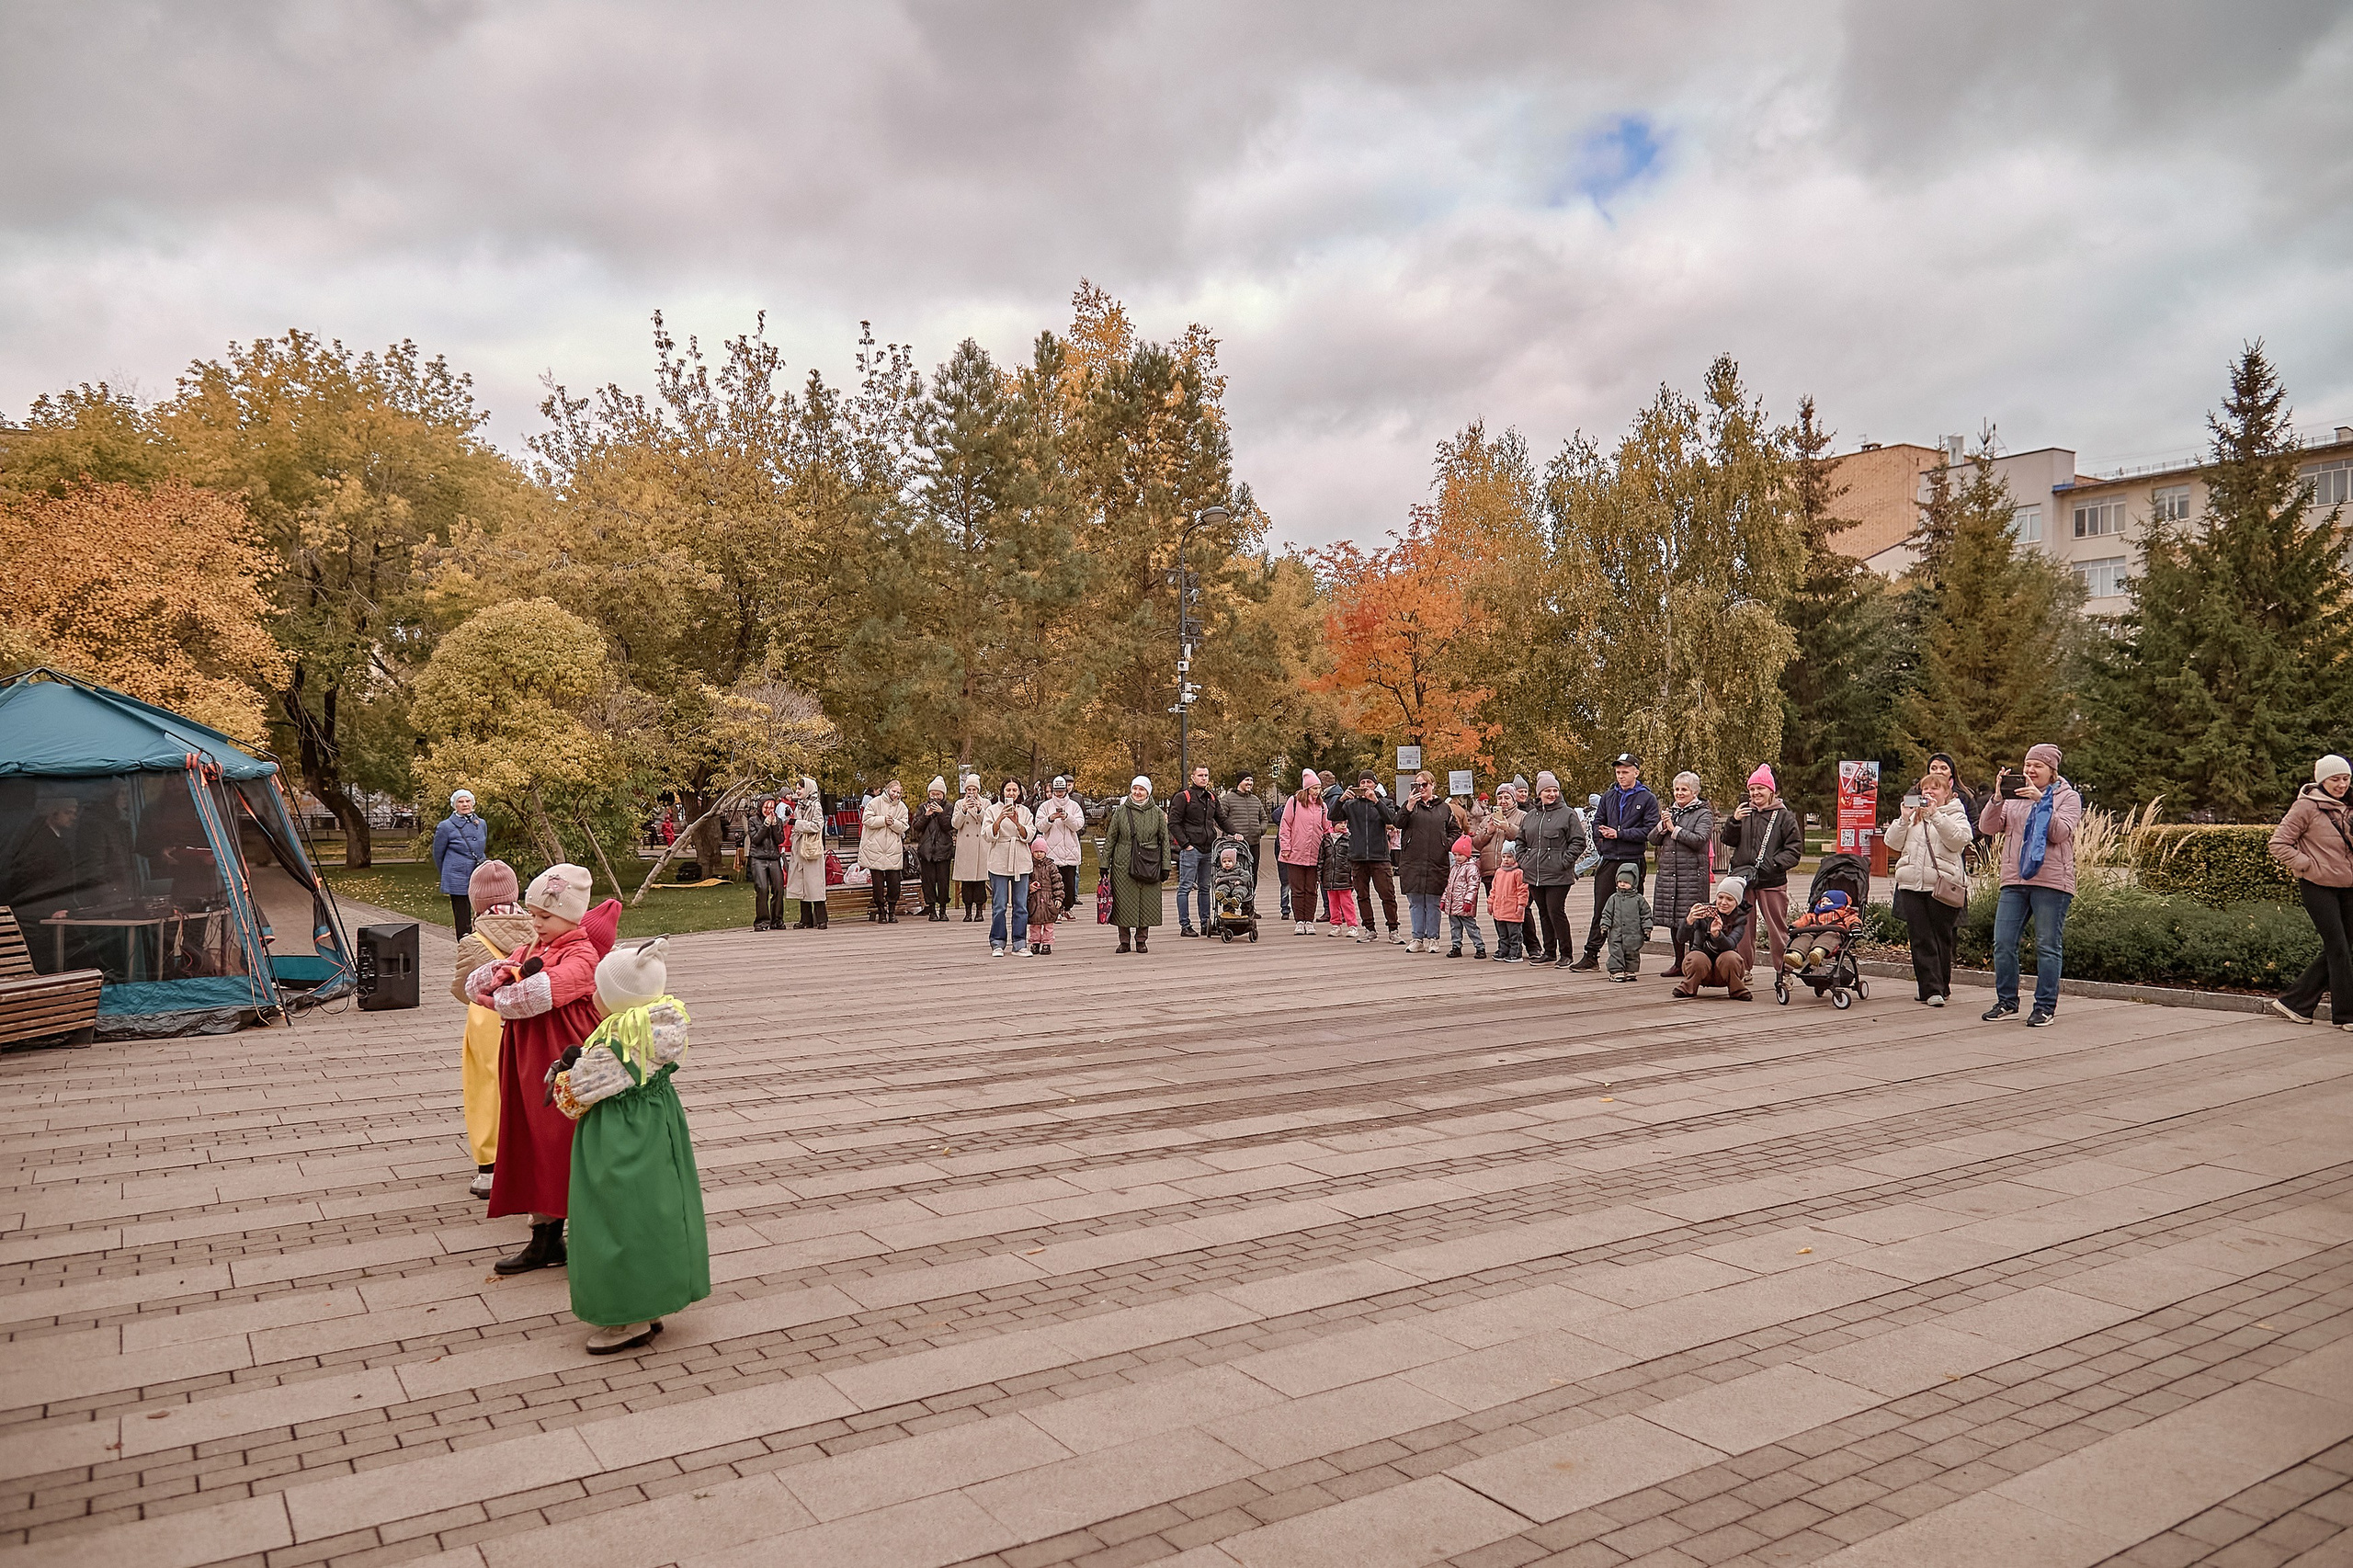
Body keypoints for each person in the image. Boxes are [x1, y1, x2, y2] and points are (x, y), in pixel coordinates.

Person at [465, 864, 620, 1275]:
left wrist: (499, 991)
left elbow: (536, 995)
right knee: (532, 1140)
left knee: (560, 1142)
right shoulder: (534, 948)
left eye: (545, 916)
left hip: (560, 1059)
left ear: (571, 915)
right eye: (533, 913)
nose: (535, 923)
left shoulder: (583, 955)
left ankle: (592, 1234)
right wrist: (498, 975)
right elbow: (473, 983)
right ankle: (545, 1238)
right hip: (527, 1057)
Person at [558, 938, 710, 1355]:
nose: (592, 994)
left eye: (599, 989)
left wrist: (563, 1076)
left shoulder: (618, 1044)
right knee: (653, 1209)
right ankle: (653, 1297)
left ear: (619, 999)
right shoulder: (659, 1026)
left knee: (616, 1214)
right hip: (658, 1125)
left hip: (617, 1133)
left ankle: (628, 1314)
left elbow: (575, 1096)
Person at [1978, 744, 2082, 1028]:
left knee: (2047, 945)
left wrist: (2041, 801)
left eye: (2038, 766)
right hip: (2015, 879)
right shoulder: (2014, 796)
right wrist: (1997, 798)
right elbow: (1987, 828)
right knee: (2003, 942)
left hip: (2052, 882)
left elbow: (2059, 833)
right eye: (2028, 765)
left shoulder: (2068, 797)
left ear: (2052, 771)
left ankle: (2045, 1007)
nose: (2031, 770)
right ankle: (2007, 1001)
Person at [449, 859, 529, 1199]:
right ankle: (530, 1158)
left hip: (488, 1023)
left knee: (485, 1088)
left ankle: (490, 1168)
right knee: (527, 1085)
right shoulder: (538, 930)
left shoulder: (473, 942)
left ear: (476, 902)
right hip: (528, 1018)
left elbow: (460, 989)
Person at [2271, 754, 2353, 1029]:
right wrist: (2307, 865)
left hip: (2349, 887)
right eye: (2335, 779)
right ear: (2321, 781)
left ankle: (2294, 1003)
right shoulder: (2305, 807)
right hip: (2317, 886)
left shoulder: (2350, 805)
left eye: (2346, 778)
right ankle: (2346, 1016)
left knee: (2342, 948)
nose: (2341, 785)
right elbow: (2279, 843)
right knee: (2338, 948)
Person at [1884, 770, 1972, 1006]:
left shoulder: (1955, 812)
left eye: (1935, 788)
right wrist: (1903, 819)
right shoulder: (1913, 815)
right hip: (1911, 884)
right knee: (1920, 937)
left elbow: (1958, 840)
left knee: (1941, 936)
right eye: (1925, 789)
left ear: (1947, 793)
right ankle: (1930, 988)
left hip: (1941, 884)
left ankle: (1941, 985)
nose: (1929, 792)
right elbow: (1892, 843)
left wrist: (1936, 815)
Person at [1576, 755, 1659, 971]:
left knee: (1630, 910)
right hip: (1610, 859)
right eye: (1618, 772)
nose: (1621, 776)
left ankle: (1628, 958)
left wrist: (1620, 834)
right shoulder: (1609, 796)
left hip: (1632, 860)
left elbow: (1649, 831)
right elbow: (1596, 822)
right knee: (1601, 908)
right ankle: (1591, 954)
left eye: (1625, 772)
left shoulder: (1647, 798)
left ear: (1636, 772)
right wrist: (1602, 837)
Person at [1722, 765, 1802, 974]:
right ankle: (1743, 970)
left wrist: (1773, 864)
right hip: (1744, 881)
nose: (1755, 793)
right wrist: (1734, 821)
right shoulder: (1744, 813)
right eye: (1752, 789)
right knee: (1742, 928)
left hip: (1771, 881)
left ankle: (1784, 972)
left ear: (1771, 791)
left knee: (1777, 929)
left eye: (1760, 788)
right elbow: (1727, 840)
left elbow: (1794, 850)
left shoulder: (1785, 817)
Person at [1518, 771, 1588, 967]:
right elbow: (1520, 841)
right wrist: (1524, 861)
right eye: (1547, 790)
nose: (1552, 794)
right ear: (1539, 793)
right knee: (1543, 912)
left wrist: (1563, 862)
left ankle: (1566, 953)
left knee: (1555, 911)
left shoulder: (1568, 814)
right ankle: (1549, 952)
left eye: (1555, 790)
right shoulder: (1531, 816)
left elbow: (1578, 842)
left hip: (1558, 874)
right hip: (1534, 873)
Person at [1650, 772, 1715, 981]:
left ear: (1694, 792)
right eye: (1677, 789)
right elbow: (1652, 839)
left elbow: (1700, 840)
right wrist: (1662, 826)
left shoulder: (1704, 814)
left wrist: (1674, 829)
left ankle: (1695, 962)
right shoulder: (1672, 812)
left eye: (1684, 789)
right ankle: (1678, 963)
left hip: (1692, 877)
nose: (1679, 793)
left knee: (1694, 920)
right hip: (1670, 876)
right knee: (1674, 920)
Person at [1103, 777, 1170, 954]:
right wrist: (1104, 864)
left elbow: (1164, 840)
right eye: (1135, 789)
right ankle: (1124, 941)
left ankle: (1141, 939)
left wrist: (1165, 866)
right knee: (1123, 902)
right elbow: (1111, 838)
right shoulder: (1121, 812)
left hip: (1149, 861)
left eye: (1141, 789)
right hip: (1123, 861)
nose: (1137, 793)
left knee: (1146, 901)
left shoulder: (1157, 813)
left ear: (1148, 792)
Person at [1336, 773, 1403, 944]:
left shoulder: (1385, 802)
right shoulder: (1351, 804)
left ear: (1375, 784)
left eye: (1369, 782)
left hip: (1379, 856)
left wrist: (1376, 801)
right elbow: (1333, 816)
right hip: (1358, 856)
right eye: (1362, 782)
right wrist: (1341, 799)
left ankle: (1393, 929)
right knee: (1362, 895)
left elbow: (1392, 819)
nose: (1365, 785)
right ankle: (1369, 929)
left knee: (1387, 894)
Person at [1168, 766, 1231, 937]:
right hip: (1191, 849)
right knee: (1185, 887)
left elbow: (1221, 819)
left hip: (1208, 849)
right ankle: (1185, 925)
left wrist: (1235, 833)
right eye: (1200, 775)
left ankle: (1206, 924)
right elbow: (1173, 823)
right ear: (1193, 777)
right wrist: (1185, 844)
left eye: (1206, 775)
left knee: (1205, 887)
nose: (1204, 778)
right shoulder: (1183, 797)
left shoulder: (1212, 797)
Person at [1398, 771, 1455, 952]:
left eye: (1425, 785)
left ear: (1433, 785)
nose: (1421, 788)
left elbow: (1455, 830)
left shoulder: (1444, 808)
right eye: (1417, 785)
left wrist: (1445, 844)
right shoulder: (1409, 806)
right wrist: (1409, 806)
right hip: (1413, 861)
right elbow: (1397, 822)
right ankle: (1417, 938)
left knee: (1432, 902)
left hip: (1436, 861)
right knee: (1415, 902)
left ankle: (1433, 938)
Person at [1673, 877, 1752, 999]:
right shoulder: (1705, 912)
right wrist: (1689, 921)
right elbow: (1681, 939)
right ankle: (1688, 987)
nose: (1723, 902)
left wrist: (1717, 935)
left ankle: (1737, 989)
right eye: (1720, 897)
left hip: (1724, 971)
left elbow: (1730, 945)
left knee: (1731, 957)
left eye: (1729, 899)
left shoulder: (1740, 919)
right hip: (1700, 969)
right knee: (1697, 957)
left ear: (1737, 902)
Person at [984, 779, 1036, 956]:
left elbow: (1030, 835)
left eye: (1015, 790)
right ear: (1003, 791)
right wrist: (1000, 818)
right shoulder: (992, 810)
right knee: (999, 905)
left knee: (1020, 904)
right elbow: (987, 835)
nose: (1011, 793)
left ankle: (1019, 943)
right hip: (999, 859)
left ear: (1019, 792)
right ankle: (997, 942)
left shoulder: (1025, 811)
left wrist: (1017, 823)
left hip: (1020, 860)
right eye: (1008, 790)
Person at [431, 790, 489, 939]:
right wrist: (447, 873)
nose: (465, 804)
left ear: (473, 803)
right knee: (462, 913)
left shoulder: (481, 823)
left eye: (467, 801)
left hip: (478, 872)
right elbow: (438, 854)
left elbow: (481, 847)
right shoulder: (446, 826)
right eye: (460, 802)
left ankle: (481, 941)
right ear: (454, 805)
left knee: (482, 908)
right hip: (457, 875)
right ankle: (464, 942)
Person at [1277, 769, 1329, 935]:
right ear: (1307, 788)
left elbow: (1326, 828)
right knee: (1298, 889)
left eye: (1319, 788)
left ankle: (1309, 921)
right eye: (1314, 788)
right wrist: (1286, 847)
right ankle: (1299, 921)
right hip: (1295, 853)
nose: (1317, 791)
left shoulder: (1322, 806)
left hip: (1315, 854)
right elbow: (1285, 825)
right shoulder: (1294, 802)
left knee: (1311, 889)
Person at [1035, 778, 1087, 915]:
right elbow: (1039, 826)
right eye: (1056, 791)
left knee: (1069, 884)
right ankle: (1055, 910)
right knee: (1052, 884)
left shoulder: (1074, 806)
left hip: (1070, 851)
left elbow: (1079, 825)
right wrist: (1050, 818)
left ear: (1066, 790)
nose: (1059, 794)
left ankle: (1067, 908)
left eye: (1061, 791)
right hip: (1051, 852)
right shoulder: (1045, 806)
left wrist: (1067, 817)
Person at [859, 781, 909, 923]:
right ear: (887, 790)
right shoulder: (874, 803)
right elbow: (866, 820)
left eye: (898, 792)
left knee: (894, 884)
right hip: (875, 849)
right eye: (894, 791)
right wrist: (883, 820)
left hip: (893, 850)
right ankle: (881, 911)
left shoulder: (902, 807)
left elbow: (904, 826)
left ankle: (892, 910)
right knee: (878, 885)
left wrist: (893, 823)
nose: (896, 794)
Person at [1218, 772, 1270, 906]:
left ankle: (1248, 906)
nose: (1250, 783)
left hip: (1253, 843)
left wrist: (1260, 830)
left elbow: (1264, 818)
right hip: (1234, 846)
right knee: (1232, 875)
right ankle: (1229, 907)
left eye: (1251, 780)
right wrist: (1232, 833)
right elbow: (1219, 819)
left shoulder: (1255, 800)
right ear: (1239, 782)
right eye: (1247, 780)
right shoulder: (1227, 799)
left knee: (1252, 875)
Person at [1597, 863, 1652, 982]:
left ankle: (1630, 970)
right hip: (1616, 932)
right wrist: (1604, 926)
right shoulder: (1613, 898)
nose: (1622, 884)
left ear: (1634, 883)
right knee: (1616, 952)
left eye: (1626, 882)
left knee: (1632, 952)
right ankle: (1616, 970)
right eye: (1620, 881)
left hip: (1633, 933)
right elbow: (1607, 913)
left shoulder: (1639, 900)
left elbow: (1646, 915)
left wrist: (1647, 929)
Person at [913, 778, 957, 920]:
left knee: (943, 883)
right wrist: (926, 815)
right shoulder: (922, 807)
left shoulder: (949, 807)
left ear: (943, 795)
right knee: (928, 882)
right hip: (926, 851)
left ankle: (943, 910)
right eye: (933, 794)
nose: (935, 797)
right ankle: (932, 910)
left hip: (943, 850)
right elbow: (916, 827)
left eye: (938, 794)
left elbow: (949, 826)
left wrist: (941, 813)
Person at [952, 775, 990, 922]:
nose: (971, 792)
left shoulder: (985, 803)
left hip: (980, 846)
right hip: (965, 847)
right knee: (966, 881)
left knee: (980, 881)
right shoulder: (959, 804)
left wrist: (980, 810)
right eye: (969, 789)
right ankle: (967, 911)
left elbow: (988, 822)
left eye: (974, 789)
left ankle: (979, 911)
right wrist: (964, 810)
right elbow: (955, 824)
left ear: (978, 790)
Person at [1442, 835, 1486, 959]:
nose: (1457, 857)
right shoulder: (1454, 868)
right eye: (1455, 855)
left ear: (1467, 854)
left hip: (1464, 904)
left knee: (1471, 926)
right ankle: (1456, 946)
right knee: (1454, 927)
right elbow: (1449, 885)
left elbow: (1473, 886)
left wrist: (1468, 901)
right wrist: (1444, 900)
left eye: (1460, 855)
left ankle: (1479, 946)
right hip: (1453, 904)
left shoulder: (1471, 868)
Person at [745, 797, 787, 932]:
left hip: (773, 857)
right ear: (761, 807)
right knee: (762, 888)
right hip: (758, 858)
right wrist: (766, 825)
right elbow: (756, 839)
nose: (769, 810)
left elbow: (780, 839)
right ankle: (762, 921)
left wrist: (774, 825)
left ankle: (777, 920)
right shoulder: (753, 821)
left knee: (779, 888)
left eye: (771, 808)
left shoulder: (778, 821)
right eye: (766, 807)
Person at [1320, 823, 1360, 938]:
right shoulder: (1326, 840)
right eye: (1340, 823)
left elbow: (1353, 858)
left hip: (1344, 877)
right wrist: (1319, 875)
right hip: (1330, 878)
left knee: (1347, 902)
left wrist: (1353, 874)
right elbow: (1321, 859)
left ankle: (1352, 925)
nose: (1343, 825)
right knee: (1333, 903)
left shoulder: (1349, 838)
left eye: (1345, 823)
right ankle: (1336, 924)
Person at [1491, 844, 1529, 962]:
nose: (1506, 859)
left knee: (1514, 934)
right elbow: (1493, 889)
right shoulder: (1499, 872)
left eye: (1509, 857)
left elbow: (1523, 891)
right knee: (1503, 933)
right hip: (1500, 909)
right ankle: (1503, 950)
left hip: (1513, 909)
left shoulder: (1518, 873)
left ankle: (1516, 953)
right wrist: (1490, 902)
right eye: (1504, 856)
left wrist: (1521, 905)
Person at [1028, 839, 1063, 954]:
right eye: (1036, 851)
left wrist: (1058, 898)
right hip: (1034, 900)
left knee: (1049, 925)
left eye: (1041, 851)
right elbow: (1026, 880)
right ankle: (1035, 942)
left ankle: (1047, 943)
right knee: (1035, 925)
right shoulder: (1029, 865)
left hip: (1048, 900)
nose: (1039, 854)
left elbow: (1057, 883)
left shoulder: (1051, 866)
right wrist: (1029, 886)